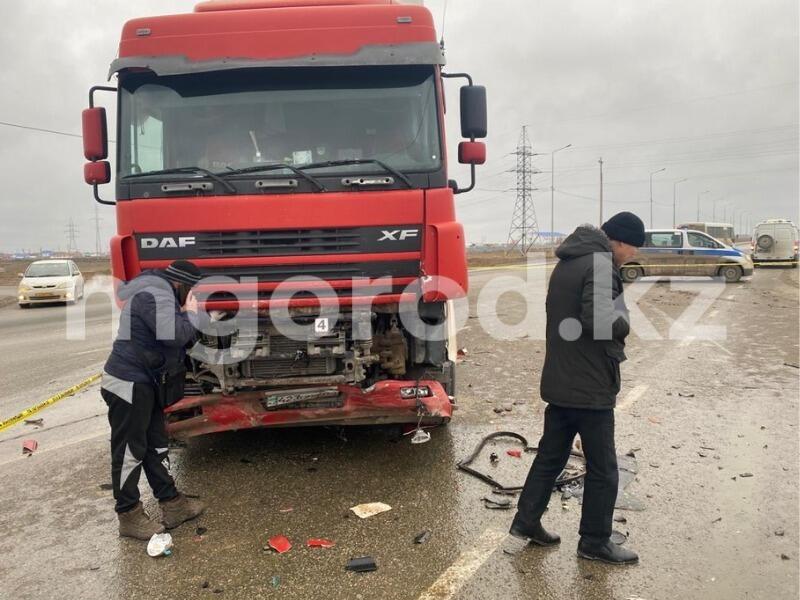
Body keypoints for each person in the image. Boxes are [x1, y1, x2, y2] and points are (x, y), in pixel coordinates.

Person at [509, 212, 645, 565]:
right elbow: (598, 320)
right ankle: (595, 541)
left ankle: (526, 523)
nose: (633, 255)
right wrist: (625, 322)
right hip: (590, 384)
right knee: (603, 468)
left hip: (562, 378)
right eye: (634, 247)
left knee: (550, 457)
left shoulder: (569, 262)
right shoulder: (601, 265)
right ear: (619, 241)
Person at [101, 260, 206, 540]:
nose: (192, 296)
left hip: (145, 382)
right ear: (181, 284)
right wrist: (192, 314)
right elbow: (175, 335)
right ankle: (129, 515)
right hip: (127, 383)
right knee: (128, 452)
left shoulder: (163, 294)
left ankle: (172, 504)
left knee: (155, 445)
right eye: (192, 291)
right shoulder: (153, 294)